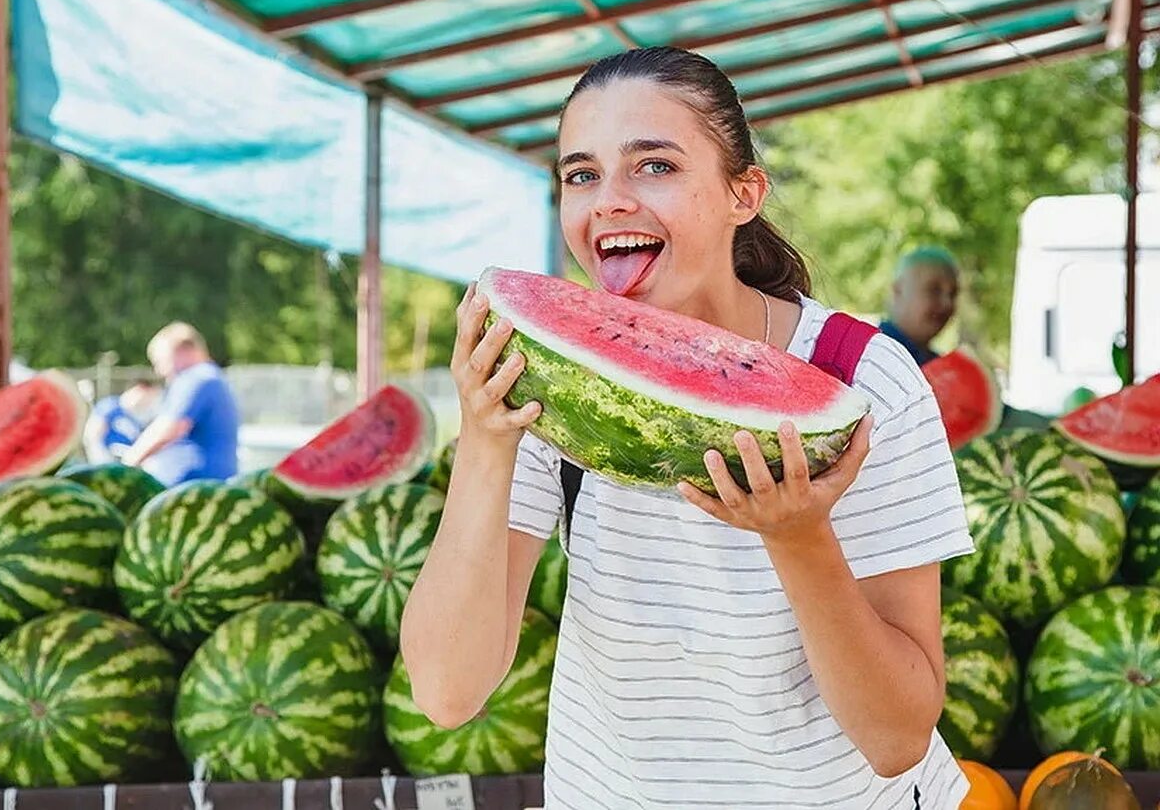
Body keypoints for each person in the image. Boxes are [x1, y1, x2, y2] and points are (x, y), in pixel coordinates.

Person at [400, 47, 975, 809]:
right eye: (581, 175)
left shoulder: (865, 381)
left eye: (655, 167)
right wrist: (485, 437)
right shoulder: (547, 387)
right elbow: (446, 693)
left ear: (745, 193)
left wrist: (799, 538)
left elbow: (896, 739)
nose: (608, 201)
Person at [122, 322, 239, 485]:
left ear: (184, 351)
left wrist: (125, 466)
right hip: (211, 483)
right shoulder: (213, 377)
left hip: (197, 486)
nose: (159, 371)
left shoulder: (197, 378)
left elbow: (169, 428)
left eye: (160, 361)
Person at [880, 246, 961, 366]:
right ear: (898, 291)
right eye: (934, 290)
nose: (947, 304)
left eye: (953, 293)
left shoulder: (942, 368)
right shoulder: (873, 358)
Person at [82, 379, 161, 463]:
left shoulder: (138, 419)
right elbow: (92, 434)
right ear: (141, 390)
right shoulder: (110, 405)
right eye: (150, 396)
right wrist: (101, 458)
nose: (149, 401)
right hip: (106, 460)